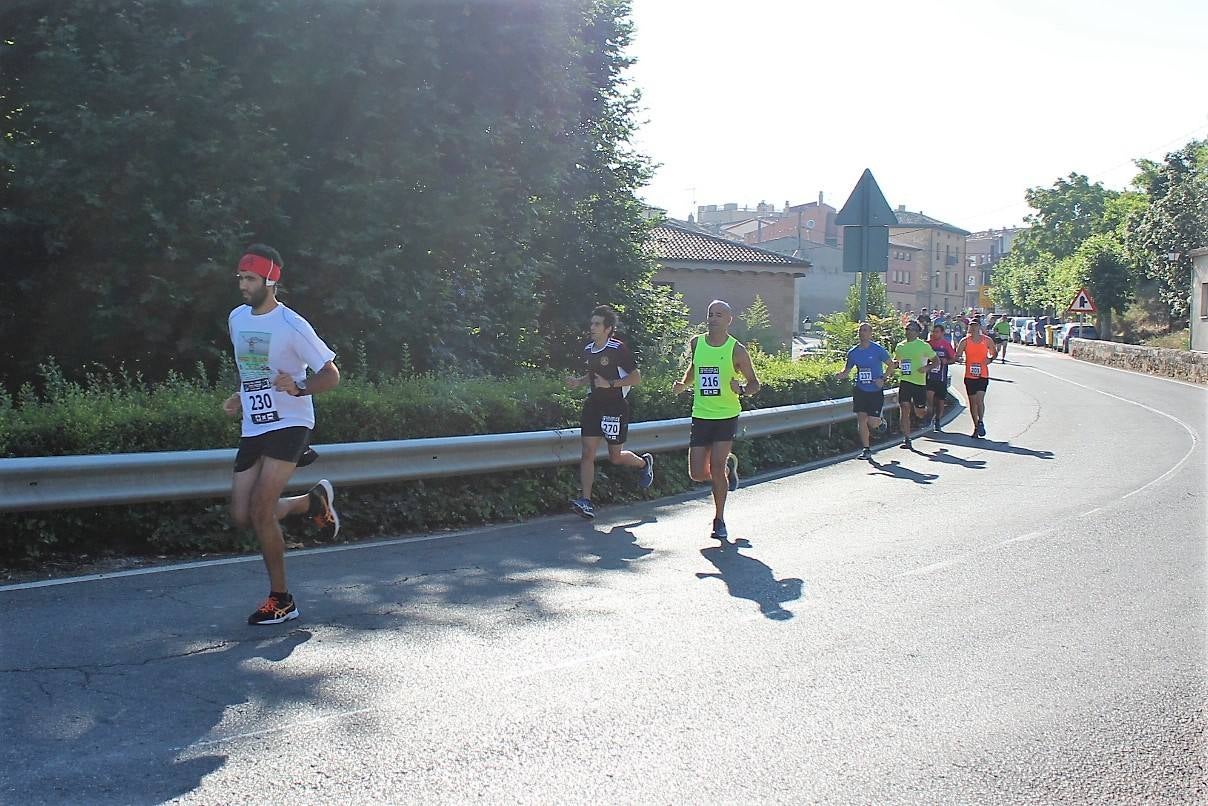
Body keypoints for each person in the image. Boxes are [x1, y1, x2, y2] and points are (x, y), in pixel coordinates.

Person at [224, 244, 341, 626]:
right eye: (240, 277)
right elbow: (253, 367)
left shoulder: (293, 325)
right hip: (255, 423)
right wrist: (242, 396)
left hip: (290, 422)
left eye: (250, 278)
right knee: (244, 515)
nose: (243, 285)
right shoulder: (237, 318)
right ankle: (310, 504)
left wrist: (300, 387)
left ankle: (282, 600)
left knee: (260, 507)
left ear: (270, 280)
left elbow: (331, 374)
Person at [672, 300, 760, 540]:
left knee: (716, 466)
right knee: (697, 474)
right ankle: (729, 469)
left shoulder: (736, 350)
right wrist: (683, 384)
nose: (713, 318)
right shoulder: (696, 343)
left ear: (729, 320)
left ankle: (719, 519)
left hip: (725, 415)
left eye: (719, 315)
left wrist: (740, 389)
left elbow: (755, 384)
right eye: (710, 314)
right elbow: (694, 368)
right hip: (701, 414)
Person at [566, 305, 654, 519]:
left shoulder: (618, 349)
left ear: (608, 329)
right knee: (588, 452)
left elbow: (636, 378)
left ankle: (644, 463)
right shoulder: (588, 349)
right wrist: (579, 381)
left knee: (615, 457)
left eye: (597, 324)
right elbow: (593, 374)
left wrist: (611, 384)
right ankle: (586, 501)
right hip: (594, 405)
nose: (592, 327)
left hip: (615, 407)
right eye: (592, 323)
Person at [835, 322, 893, 460]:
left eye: (865, 330)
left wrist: (883, 379)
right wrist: (839, 375)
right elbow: (847, 370)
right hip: (860, 389)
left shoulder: (878, 350)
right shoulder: (853, 352)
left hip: (875, 391)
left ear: (870, 333)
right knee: (861, 418)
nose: (862, 333)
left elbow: (891, 365)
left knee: (872, 423)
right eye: (860, 330)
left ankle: (880, 422)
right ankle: (866, 449)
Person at [892, 320, 938, 449]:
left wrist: (926, 368)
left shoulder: (923, 346)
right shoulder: (900, 346)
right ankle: (907, 438)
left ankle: (929, 414)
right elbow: (898, 361)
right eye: (906, 329)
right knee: (904, 408)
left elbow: (936, 361)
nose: (908, 332)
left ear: (917, 332)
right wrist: (893, 364)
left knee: (919, 413)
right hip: (905, 381)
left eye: (911, 329)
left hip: (919, 383)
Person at [954, 317, 998, 438]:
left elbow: (994, 352)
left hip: (983, 374)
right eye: (971, 326)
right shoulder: (965, 341)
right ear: (969, 328)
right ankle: (976, 426)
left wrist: (990, 359)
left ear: (979, 327)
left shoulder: (987, 340)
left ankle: (981, 421)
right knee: (972, 403)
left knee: (979, 400)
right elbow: (957, 355)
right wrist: (959, 358)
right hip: (969, 375)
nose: (973, 328)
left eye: (975, 326)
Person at [926, 322, 957, 432]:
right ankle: (929, 417)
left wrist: (946, 361)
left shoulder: (946, 344)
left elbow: (954, 359)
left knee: (940, 402)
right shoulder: (928, 344)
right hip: (930, 377)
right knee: (929, 397)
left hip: (941, 378)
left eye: (937, 332)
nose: (935, 334)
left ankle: (938, 420)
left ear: (942, 333)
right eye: (933, 332)